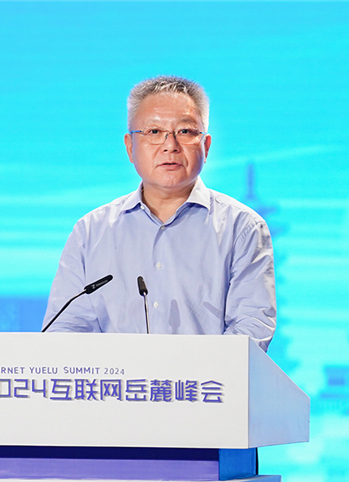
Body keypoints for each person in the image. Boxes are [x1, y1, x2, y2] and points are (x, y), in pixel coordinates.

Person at [42, 75, 276, 351]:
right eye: (154, 132)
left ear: (206, 146)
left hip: (204, 379)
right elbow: (66, 330)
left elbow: (251, 329)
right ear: (130, 147)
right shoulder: (91, 232)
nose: (170, 145)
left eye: (185, 131)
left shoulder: (242, 228)